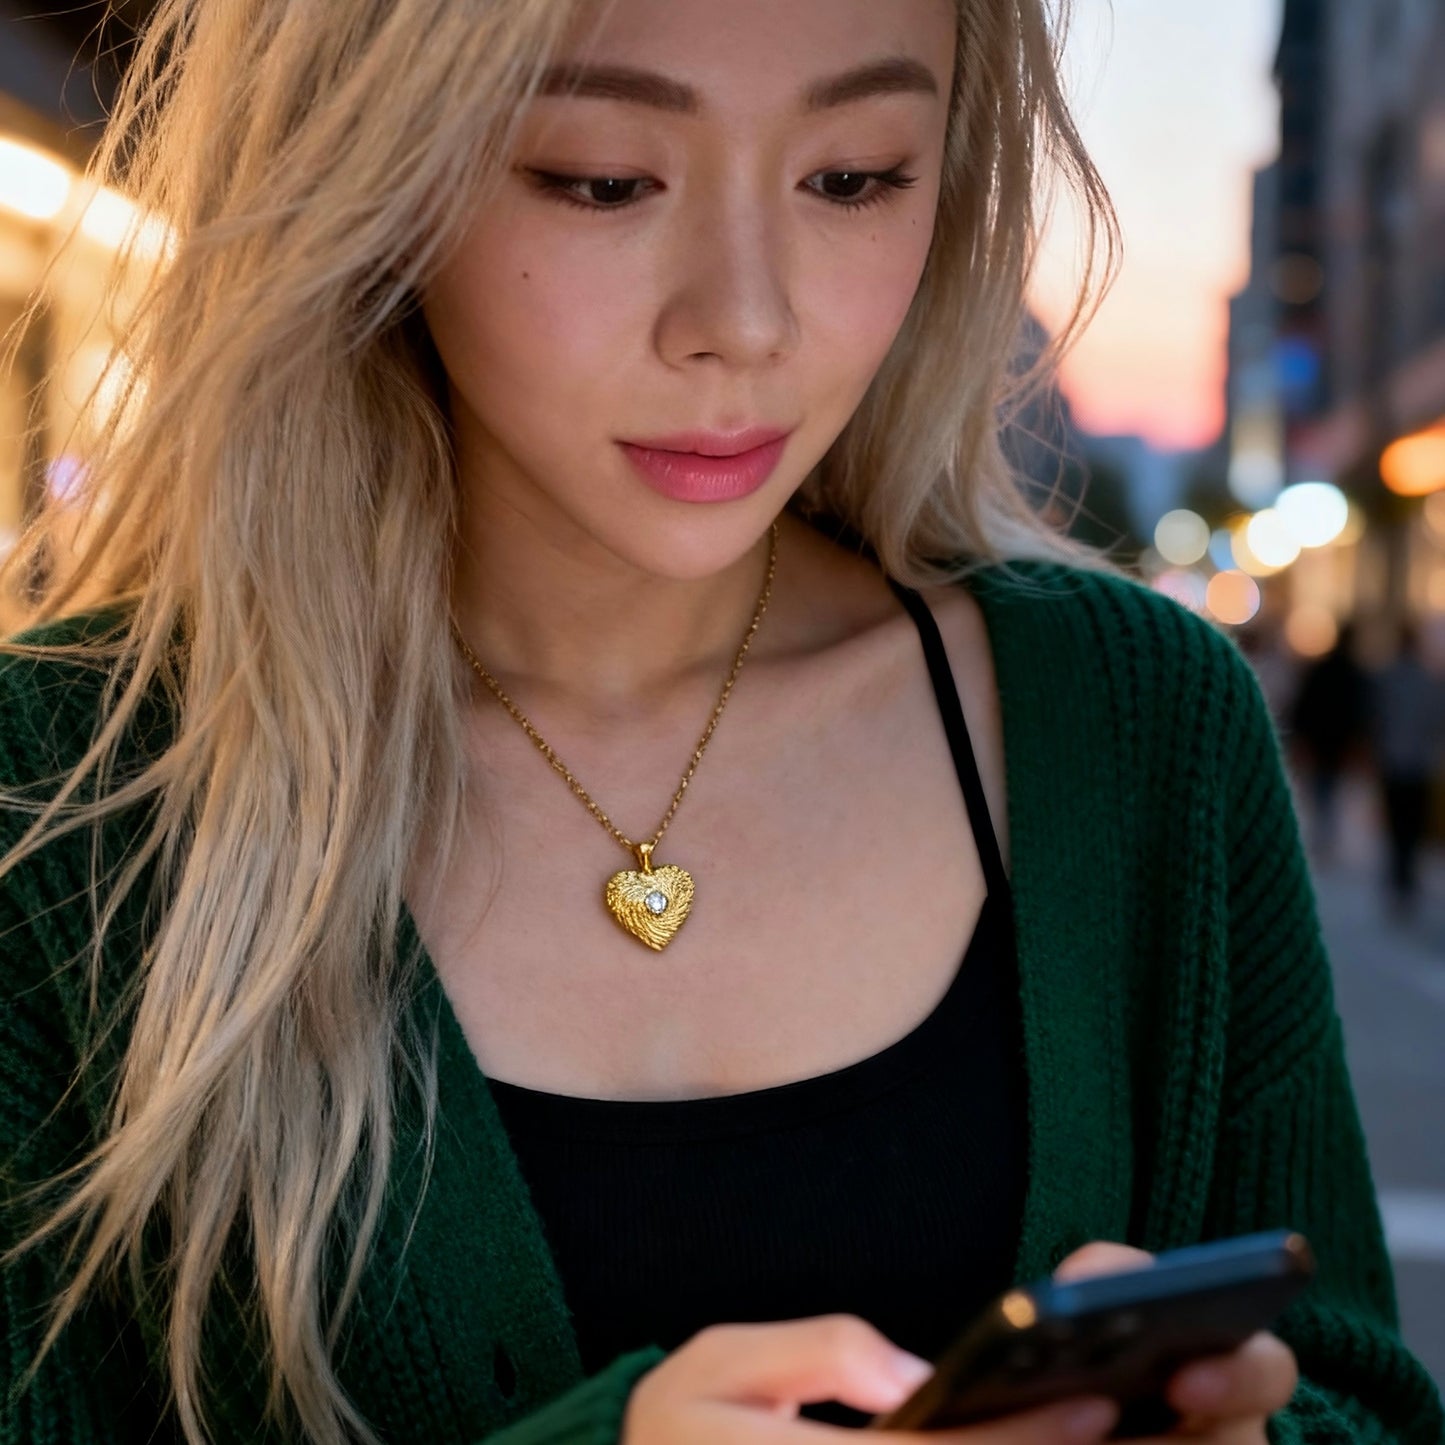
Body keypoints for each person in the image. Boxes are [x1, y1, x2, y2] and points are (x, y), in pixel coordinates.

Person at [0, 2, 1440, 1444]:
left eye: (856, 178)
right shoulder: (57, 790)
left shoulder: (1142, 724)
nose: (746, 323)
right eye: (604, 180)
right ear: (371, 165)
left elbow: (1361, 1398)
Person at [1368, 621, 1445, 917]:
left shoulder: (1388, 679)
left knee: (1398, 825)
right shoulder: (1428, 681)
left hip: (1394, 762)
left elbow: (1377, 719)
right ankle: (1405, 879)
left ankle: (1398, 878)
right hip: (1418, 765)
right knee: (1411, 826)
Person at [1286, 623, 1370, 863]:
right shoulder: (1353, 673)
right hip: (1336, 739)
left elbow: (1305, 704)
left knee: (1322, 786)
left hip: (1321, 737)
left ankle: (1323, 832)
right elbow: (1359, 710)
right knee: (1328, 786)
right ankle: (1326, 832)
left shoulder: (1323, 669)